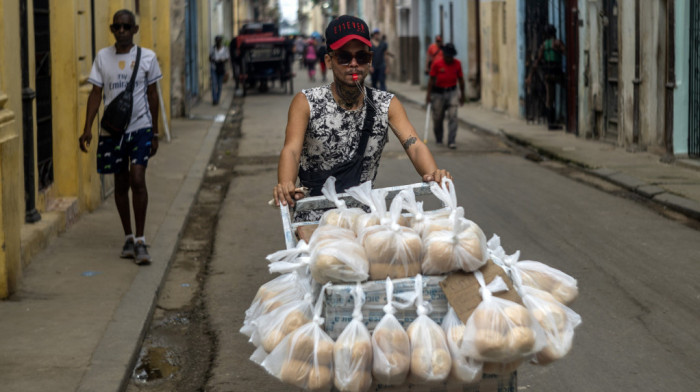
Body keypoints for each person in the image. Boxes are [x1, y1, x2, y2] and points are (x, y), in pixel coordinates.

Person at [273, 15, 451, 220]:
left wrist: (434, 173)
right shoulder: (306, 102)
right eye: (344, 57)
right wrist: (286, 183)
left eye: (362, 57)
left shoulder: (386, 104)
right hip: (313, 220)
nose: (354, 64)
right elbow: (292, 150)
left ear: (370, 60)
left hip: (364, 220)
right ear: (329, 60)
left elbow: (415, 144)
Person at [78, 9, 162, 265]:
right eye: (118, 27)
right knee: (120, 182)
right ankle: (127, 236)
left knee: (138, 178)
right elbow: (95, 94)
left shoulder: (148, 57)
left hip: (141, 128)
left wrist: (155, 131)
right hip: (112, 131)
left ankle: (140, 239)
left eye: (127, 27)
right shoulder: (103, 57)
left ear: (135, 30)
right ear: (112, 30)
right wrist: (87, 128)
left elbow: (152, 95)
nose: (122, 31)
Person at [425, 43, 465, 149]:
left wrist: (462, 95)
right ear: (444, 55)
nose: (449, 58)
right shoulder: (437, 64)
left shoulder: (457, 64)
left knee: (453, 116)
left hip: (452, 92)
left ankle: (451, 140)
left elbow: (461, 80)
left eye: (450, 56)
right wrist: (428, 95)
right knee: (438, 117)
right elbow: (431, 80)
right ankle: (439, 137)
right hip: (438, 93)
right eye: (447, 56)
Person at [526, 24, 566, 130]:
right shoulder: (557, 42)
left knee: (549, 98)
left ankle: (551, 123)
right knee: (568, 88)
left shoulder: (544, 45)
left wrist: (530, 76)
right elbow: (566, 52)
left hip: (547, 74)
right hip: (557, 73)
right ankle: (565, 117)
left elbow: (536, 62)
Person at [209, 35, 230, 105]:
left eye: (219, 41)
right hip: (214, 68)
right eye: (217, 41)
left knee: (219, 85)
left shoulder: (225, 49)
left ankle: (218, 99)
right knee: (214, 85)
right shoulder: (213, 48)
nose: (218, 42)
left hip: (221, 69)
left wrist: (222, 60)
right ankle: (214, 100)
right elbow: (209, 58)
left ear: (221, 41)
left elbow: (227, 59)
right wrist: (214, 60)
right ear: (215, 41)